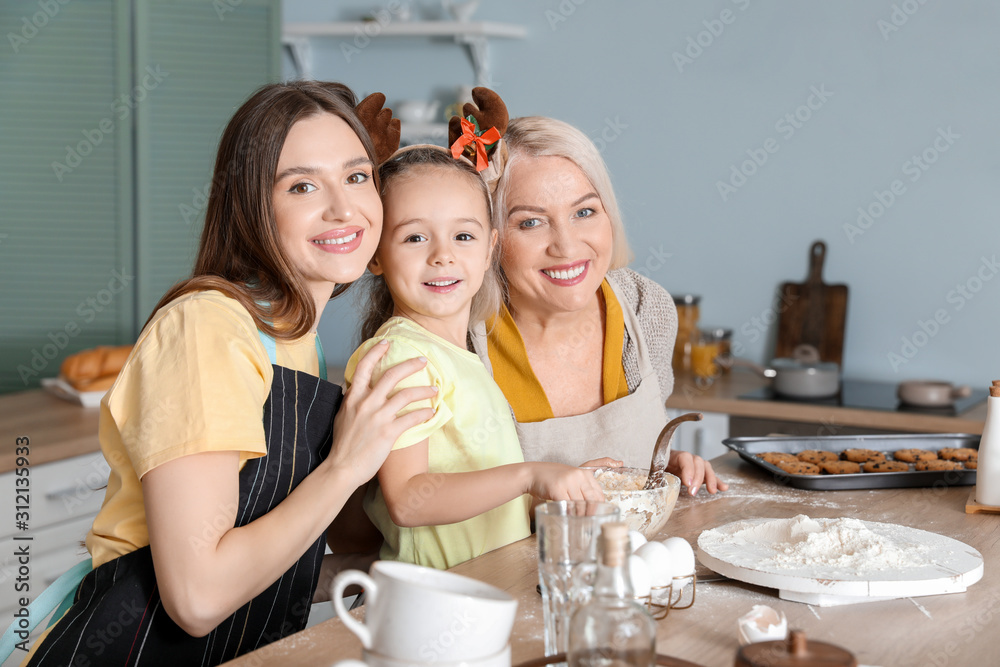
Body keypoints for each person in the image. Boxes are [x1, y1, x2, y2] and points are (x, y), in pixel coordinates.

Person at [16, 81, 437, 666]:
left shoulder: (298, 344)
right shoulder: (207, 328)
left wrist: (357, 569)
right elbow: (197, 596)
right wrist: (345, 465)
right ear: (251, 208)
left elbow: (259, 553)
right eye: (303, 185)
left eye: (358, 175)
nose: (345, 208)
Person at [344, 145, 604, 571]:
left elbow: (478, 502)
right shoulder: (404, 357)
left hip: (482, 594)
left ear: (489, 250)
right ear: (375, 253)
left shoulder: (455, 355)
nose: (442, 255)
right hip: (433, 606)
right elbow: (409, 500)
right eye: (414, 237)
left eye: (463, 236)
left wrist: (556, 487)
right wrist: (530, 475)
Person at [472, 115, 728, 496]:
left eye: (584, 212)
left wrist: (665, 466)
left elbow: (639, 454)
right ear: (489, 237)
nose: (567, 246)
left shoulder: (646, 308)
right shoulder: (459, 337)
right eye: (530, 223)